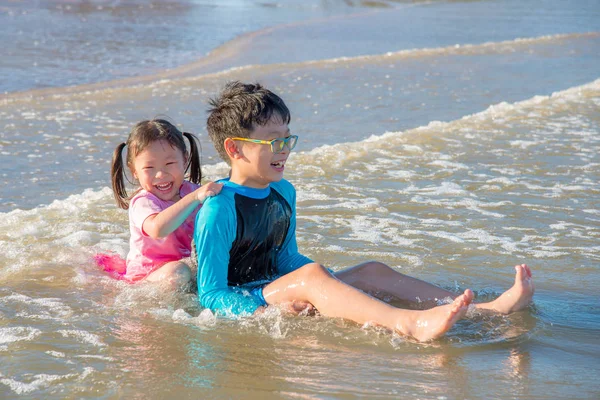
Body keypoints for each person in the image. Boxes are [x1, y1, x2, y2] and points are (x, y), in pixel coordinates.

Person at [192, 82, 534, 342]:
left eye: (287, 138)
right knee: (313, 278)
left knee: (371, 271)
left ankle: (482, 309)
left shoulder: (283, 191)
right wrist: (265, 309)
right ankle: (410, 323)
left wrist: (316, 276)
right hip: (249, 296)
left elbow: (285, 260)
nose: (284, 150)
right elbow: (211, 294)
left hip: (277, 286)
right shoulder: (219, 208)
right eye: (272, 142)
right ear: (235, 148)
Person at [110, 119, 222, 287]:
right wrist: (193, 198)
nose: (161, 174)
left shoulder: (192, 191)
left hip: (185, 267)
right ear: (135, 171)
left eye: (169, 163)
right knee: (178, 272)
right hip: (147, 277)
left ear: (185, 160)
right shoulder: (143, 202)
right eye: (149, 168)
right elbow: (157, 228)